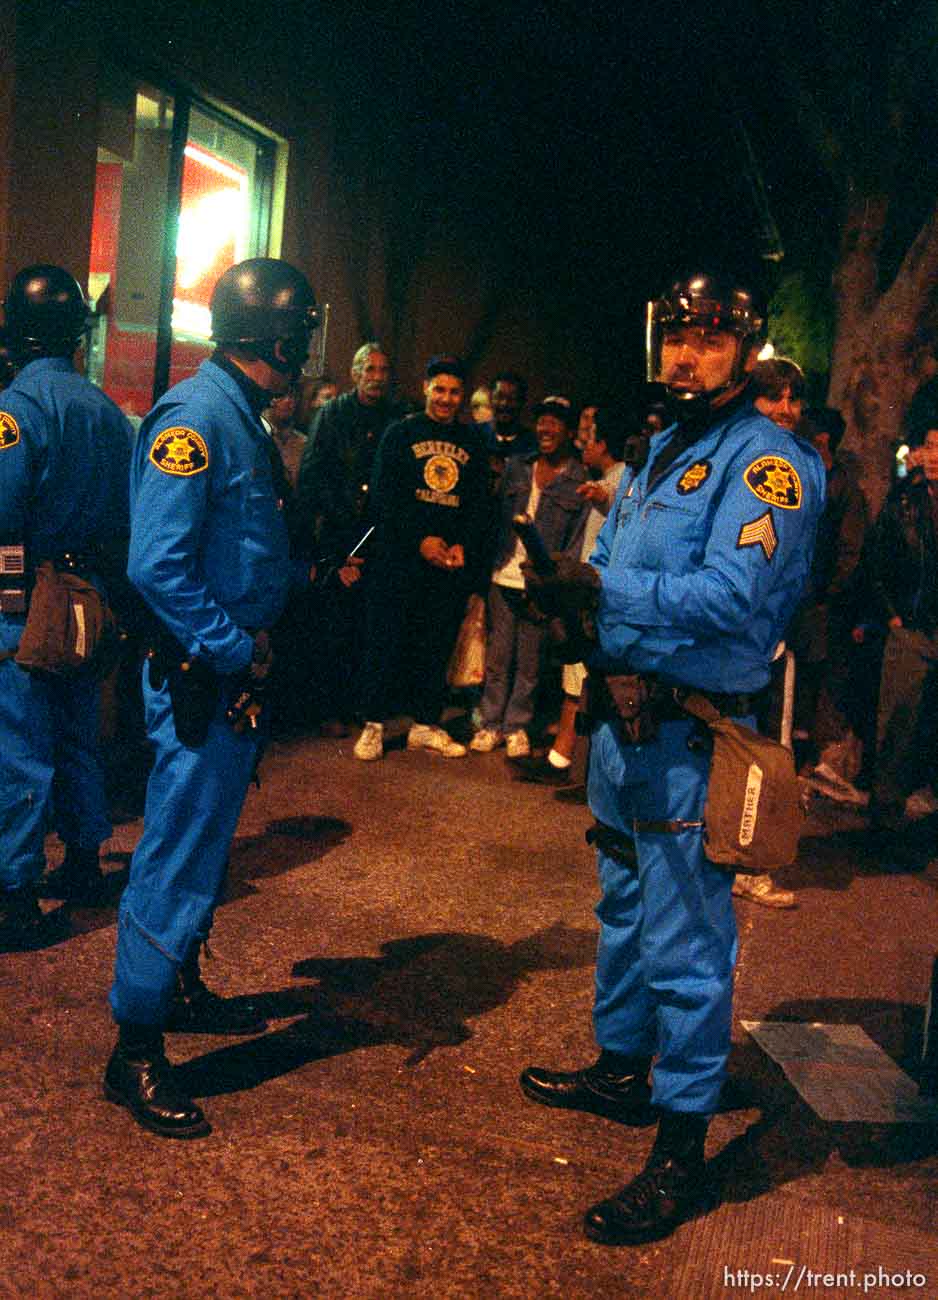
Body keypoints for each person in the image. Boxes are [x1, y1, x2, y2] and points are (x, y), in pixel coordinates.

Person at [519, 273, 825, 1245]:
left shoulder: (768, 464)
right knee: (618, 907)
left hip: (692, 736)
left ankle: (678, 1149)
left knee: (687, 944)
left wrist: (600, 585)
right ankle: (621, 1065)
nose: (686, 352)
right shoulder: (662, 444)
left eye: (708, 337)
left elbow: (733, 595)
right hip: (621, 724)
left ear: (743, 347)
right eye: (675, 335)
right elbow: (628, 583)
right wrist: (567, 602)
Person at [105, 257, 321, 1138]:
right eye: (303, 332)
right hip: (207, 674)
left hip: (232, 671)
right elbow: (156, 563)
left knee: (204, 843)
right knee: (178, 851)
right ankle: (136, 1049)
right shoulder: (198, 418)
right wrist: (238, 648)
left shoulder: (239, 414)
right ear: (279, 337)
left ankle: (179, 986)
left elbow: (235, 545)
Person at [0, 265, 133, 940]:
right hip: (92, 594)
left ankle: (15, 894)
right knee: (80, 735)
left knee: (19, 745)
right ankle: (84, 863)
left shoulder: (18, 408)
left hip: (25, 596)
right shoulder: (108, 412)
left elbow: (2, 507)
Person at [354, 355, 489, 761]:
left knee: (435, 645)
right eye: (440, 389)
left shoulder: (472, 444)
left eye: (454, 392)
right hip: (399, 562)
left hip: (446, 566)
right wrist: (419, 541)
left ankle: (425, 725)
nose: (446, 399)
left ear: (462, 396)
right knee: (385, 642)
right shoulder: (400, 434)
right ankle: (373, 726)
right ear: (427, 388)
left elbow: (479, 504)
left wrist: (464, 543)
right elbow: (383, 499)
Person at [295, 343, 406, 733]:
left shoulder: (397, 419)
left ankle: (362, 704)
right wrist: (335, 546)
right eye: (369, 368)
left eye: (382, 369)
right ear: (355, 372)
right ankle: (328, 709)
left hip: (380, 539)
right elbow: (313, 478)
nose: (376, 376)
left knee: (369, 627)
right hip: (338, 536)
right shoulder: (332, 414)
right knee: (332, 628)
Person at [471, 396, 589, 760]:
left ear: (568, 431)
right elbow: (493, 521)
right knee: (498, 657)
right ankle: (490, 723)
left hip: (540, 583)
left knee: (530, 661)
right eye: (540, 421)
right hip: (503, 575)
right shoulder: (517, 467)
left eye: (554, 422)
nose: (545, 429)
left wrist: (555, 583)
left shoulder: (577, 478)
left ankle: (517, 725)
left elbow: (575, 540)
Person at [519, 404, 627, 784]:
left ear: (603, 443)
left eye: (587, 435)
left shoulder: (618, 482)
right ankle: (565, 761)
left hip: (600, 599)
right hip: (590, 596)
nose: (582, 443)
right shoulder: (607, 479)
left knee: (583, 684)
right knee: (575, 684)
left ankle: (573, 766)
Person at [862, 412, 938, 867]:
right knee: (898, 727)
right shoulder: (903, 505)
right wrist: (892, 616)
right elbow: (875, 564)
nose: (935, 457)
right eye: (931, 447)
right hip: (911, 629)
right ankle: (884, 827)